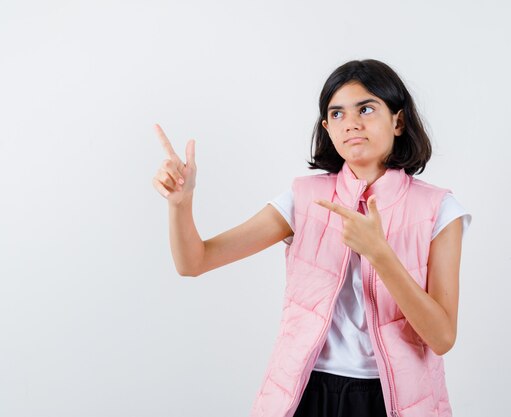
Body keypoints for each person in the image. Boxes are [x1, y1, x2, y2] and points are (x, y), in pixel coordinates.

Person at [152, 59, 471, 417]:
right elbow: (194, 262)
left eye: (366, 108)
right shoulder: (303, 198)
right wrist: (181, 204)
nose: (351, 123)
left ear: (398, 120)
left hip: (392, 399)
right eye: (337, 114)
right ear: (327, 128)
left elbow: (442, 338)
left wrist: (380, 254)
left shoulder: (439, 209)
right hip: (307, 391)